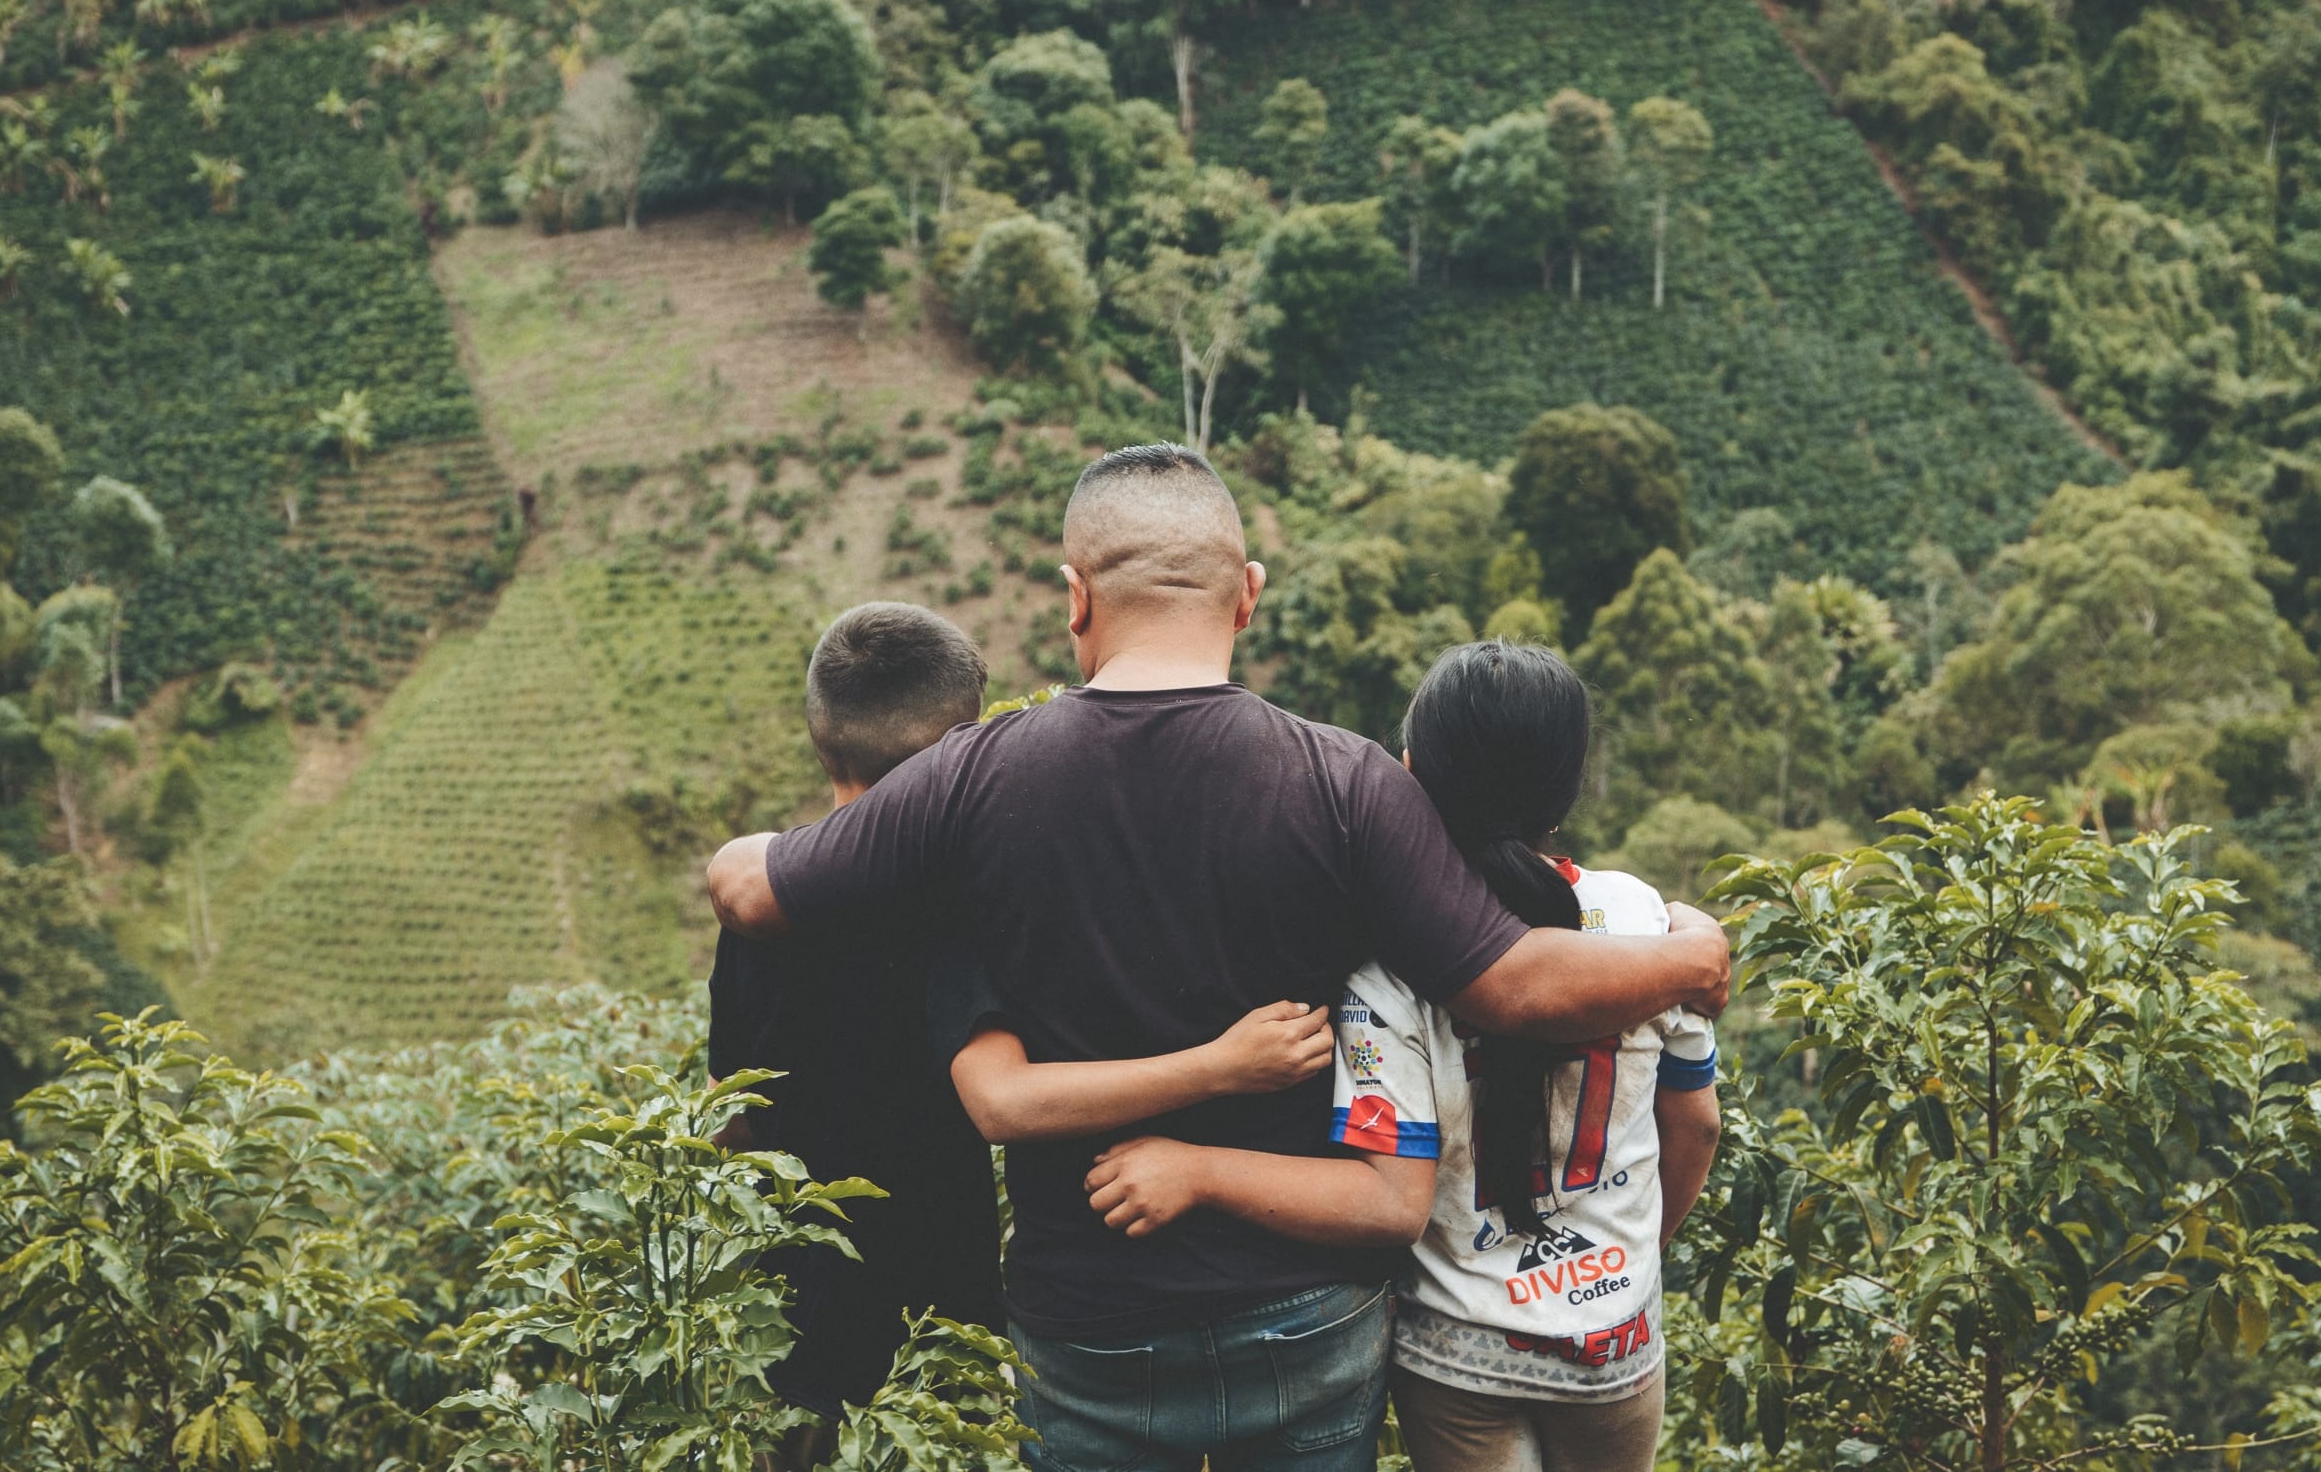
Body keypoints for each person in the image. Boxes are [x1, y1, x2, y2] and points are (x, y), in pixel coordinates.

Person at [710, 444, 1731, 1471]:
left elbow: (751, 891)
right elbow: (1514, 983)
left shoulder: (974, 776)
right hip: (1308, 1314)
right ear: (1247, 595)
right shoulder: (1350, 781)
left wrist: (750, 851)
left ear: (1075, 598)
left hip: (1089, 1316)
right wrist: (1692, 965)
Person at [1082, 640, 1721, 1472]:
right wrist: (1635, 1262)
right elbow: (1697, 1124)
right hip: (1617, 1341)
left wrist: (1198, 1170)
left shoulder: (1389, 970)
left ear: (1409, 774)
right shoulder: (1645, 924)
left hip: (1460, 1356)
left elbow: (1391, 1204)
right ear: (1565, 790)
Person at [705, 602, 1008, 1469]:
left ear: (820, 737)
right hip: (946, 1331)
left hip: (796, 1329)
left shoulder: (760, 910)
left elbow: (737, 1119)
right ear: (962, 749)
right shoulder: (968, 903)